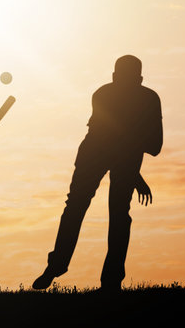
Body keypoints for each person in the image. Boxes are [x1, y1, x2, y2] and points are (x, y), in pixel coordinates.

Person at [32, 55, 163, 292]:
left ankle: (110, 281)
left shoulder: (148, 99)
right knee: (77, 207)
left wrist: (133, 169)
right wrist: (136, 172)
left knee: (117, 214)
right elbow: (111, 141)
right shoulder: (105, 95)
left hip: (120, 158)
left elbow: (155, 147)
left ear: (140, 80)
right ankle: (58, 265)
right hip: (94, 154)